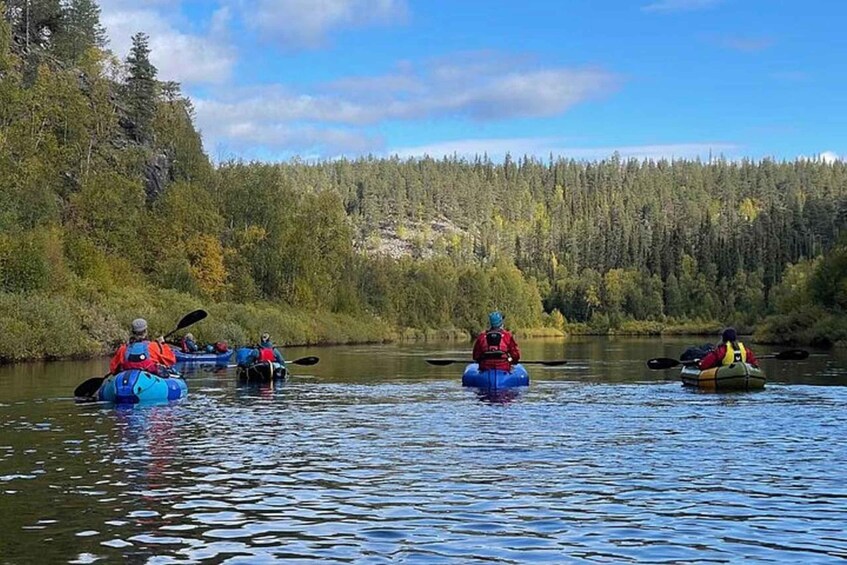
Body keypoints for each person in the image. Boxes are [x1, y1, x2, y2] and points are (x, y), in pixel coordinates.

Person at [109, 318, 177, 376]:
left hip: (128, 380)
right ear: (146, 331)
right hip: (149, 381)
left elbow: (113, 369)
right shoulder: (154, 346)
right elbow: (171, 360)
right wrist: (162, 344)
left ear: (132, 332)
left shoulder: (123, 349)